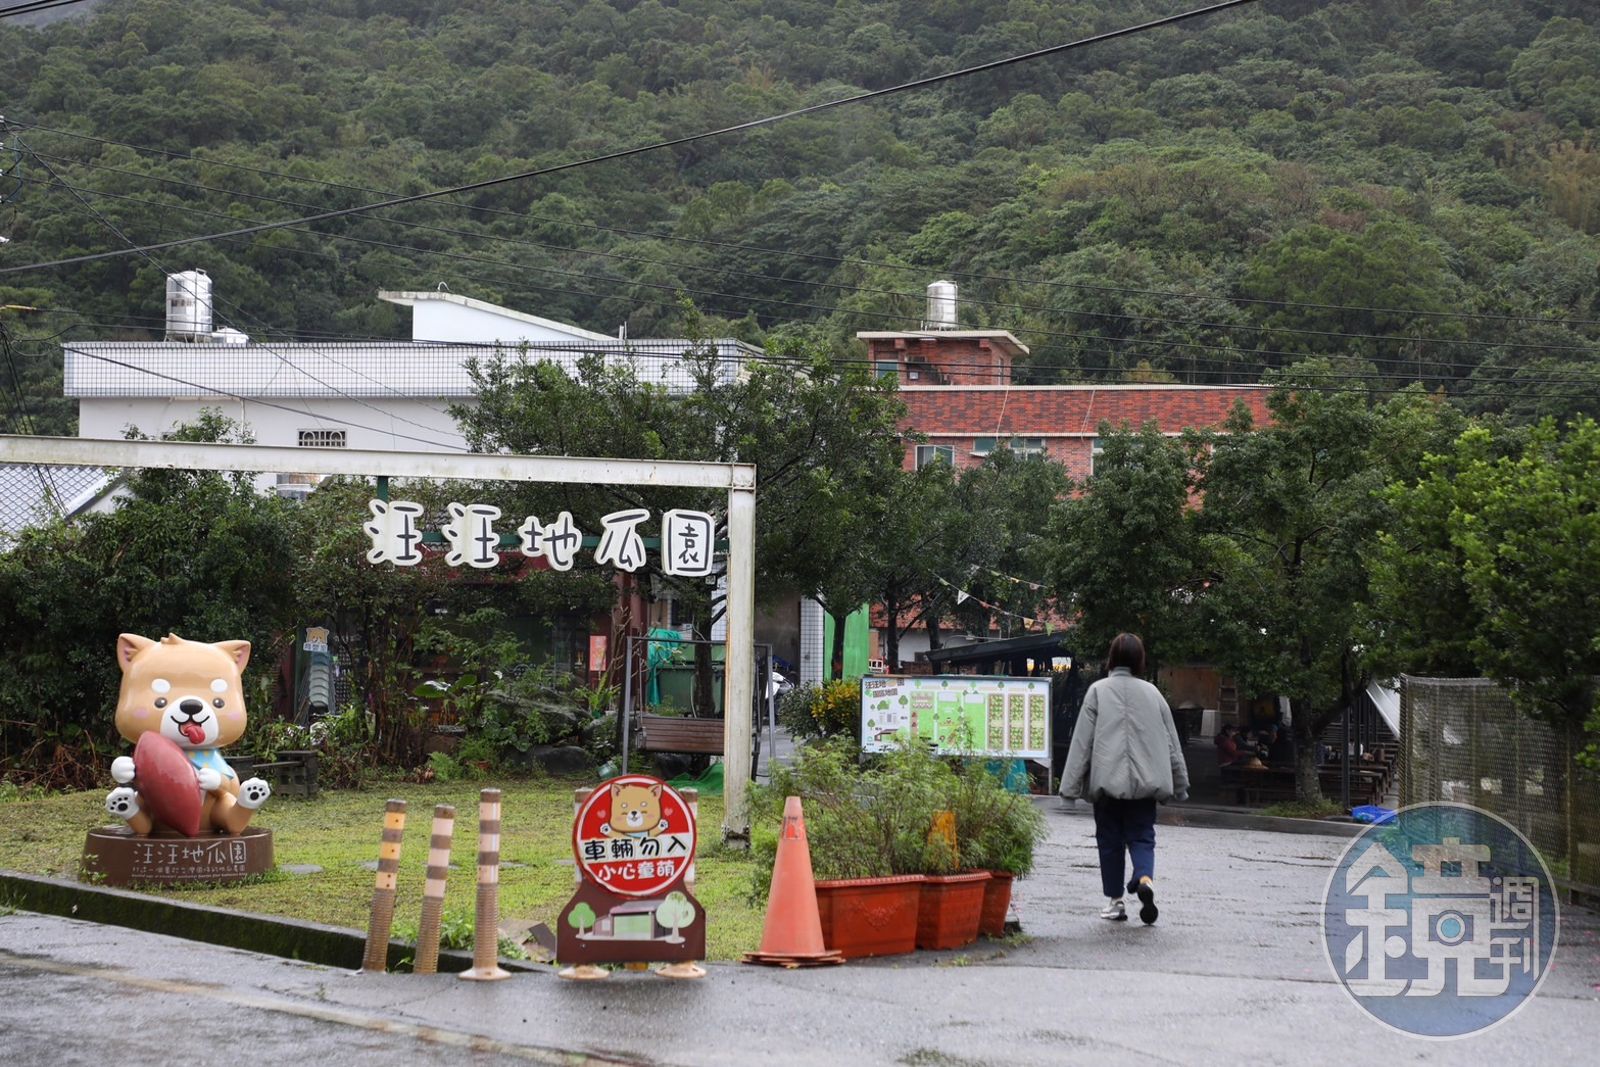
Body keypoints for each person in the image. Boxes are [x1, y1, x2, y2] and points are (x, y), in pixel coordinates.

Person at [1058, 633, 1190, 925]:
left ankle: (1115, 902)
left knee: (1110, 842)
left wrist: (1069, 789)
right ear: (1140, 660)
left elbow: (1082, 743)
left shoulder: (1097, 692)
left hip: (1107, 787)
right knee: (1142, 837)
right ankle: (1144, 878)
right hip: (1146, 787)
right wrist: (1180, 783)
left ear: (1112, 658)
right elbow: (1171, 742)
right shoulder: (1153, 694)